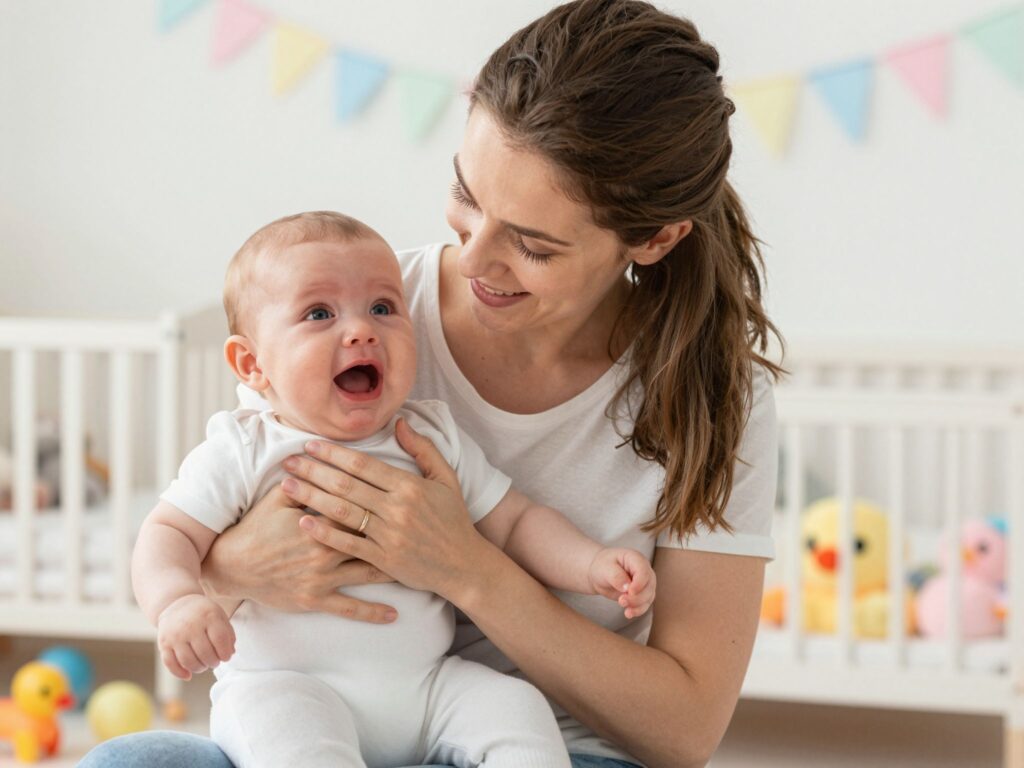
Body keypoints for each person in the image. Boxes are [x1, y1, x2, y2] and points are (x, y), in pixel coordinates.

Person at [79, 0, 782, 766]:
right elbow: (215, 521)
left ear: (654, 238)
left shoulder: (716, 396)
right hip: (308, 707)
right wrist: (222, 575)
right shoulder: (353, 309)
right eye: (467, 198)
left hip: (535, 738)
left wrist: (466, 569)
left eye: (533, 246)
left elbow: (682, 732)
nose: (477, 260)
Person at [130, 211, 657, 768]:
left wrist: (590, 564)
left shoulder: (428, 434)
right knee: (298, 748)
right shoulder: (244, 447)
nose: (361, 330)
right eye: (319, 313)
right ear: (252, 364)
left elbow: (516, 521)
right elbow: (166, 532)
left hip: (427, 688)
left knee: (516, 710)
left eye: (383, 308)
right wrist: (177, 603)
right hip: (289, 688)